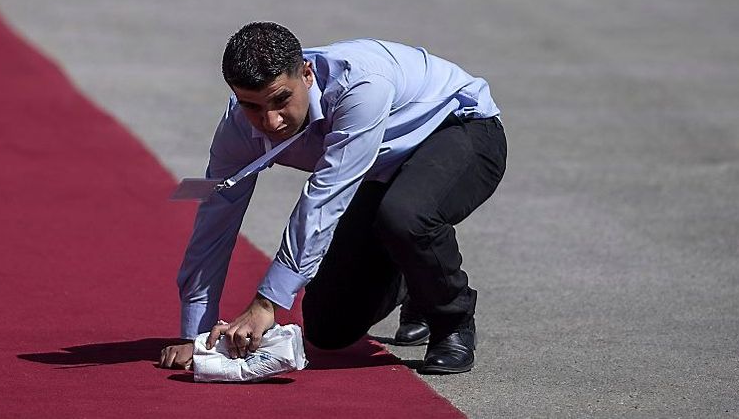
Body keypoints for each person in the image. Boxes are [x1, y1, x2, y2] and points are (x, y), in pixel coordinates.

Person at [157, 22, 507, 374]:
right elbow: (215, 218)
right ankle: (415, 274)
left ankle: (452, 322)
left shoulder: (362, 86)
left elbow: (322, 200)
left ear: (306, 74)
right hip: (381, 170)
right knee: (328, 328)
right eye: (252, 106)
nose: (271, 121)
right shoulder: (237, 126)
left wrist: (267, 303)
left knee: (405, 216)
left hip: (463, 132)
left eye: (281, 100)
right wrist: (195, 334)